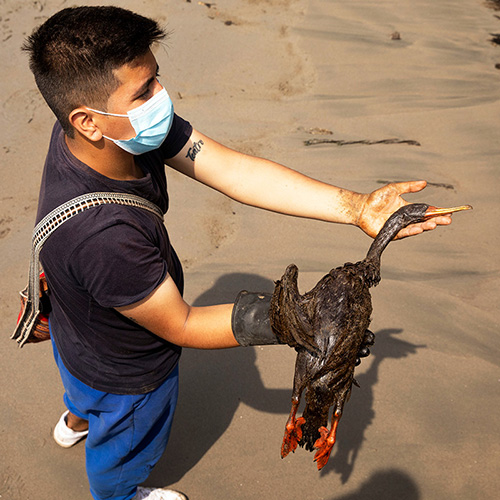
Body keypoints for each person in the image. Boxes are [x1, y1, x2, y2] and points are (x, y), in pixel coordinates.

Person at [22, 6, 452, 500]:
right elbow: (181, 325)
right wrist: (291, 319)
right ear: (89, 121)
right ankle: (120, 493)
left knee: (81, 381)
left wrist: (356, 207)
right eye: (143, 92)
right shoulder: (105, 237)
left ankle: (75, 417)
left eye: (156, 78)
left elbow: (230, 170)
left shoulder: (102, 135)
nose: (161, 98)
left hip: (77, 327)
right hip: (129, 372)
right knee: (122, 448)